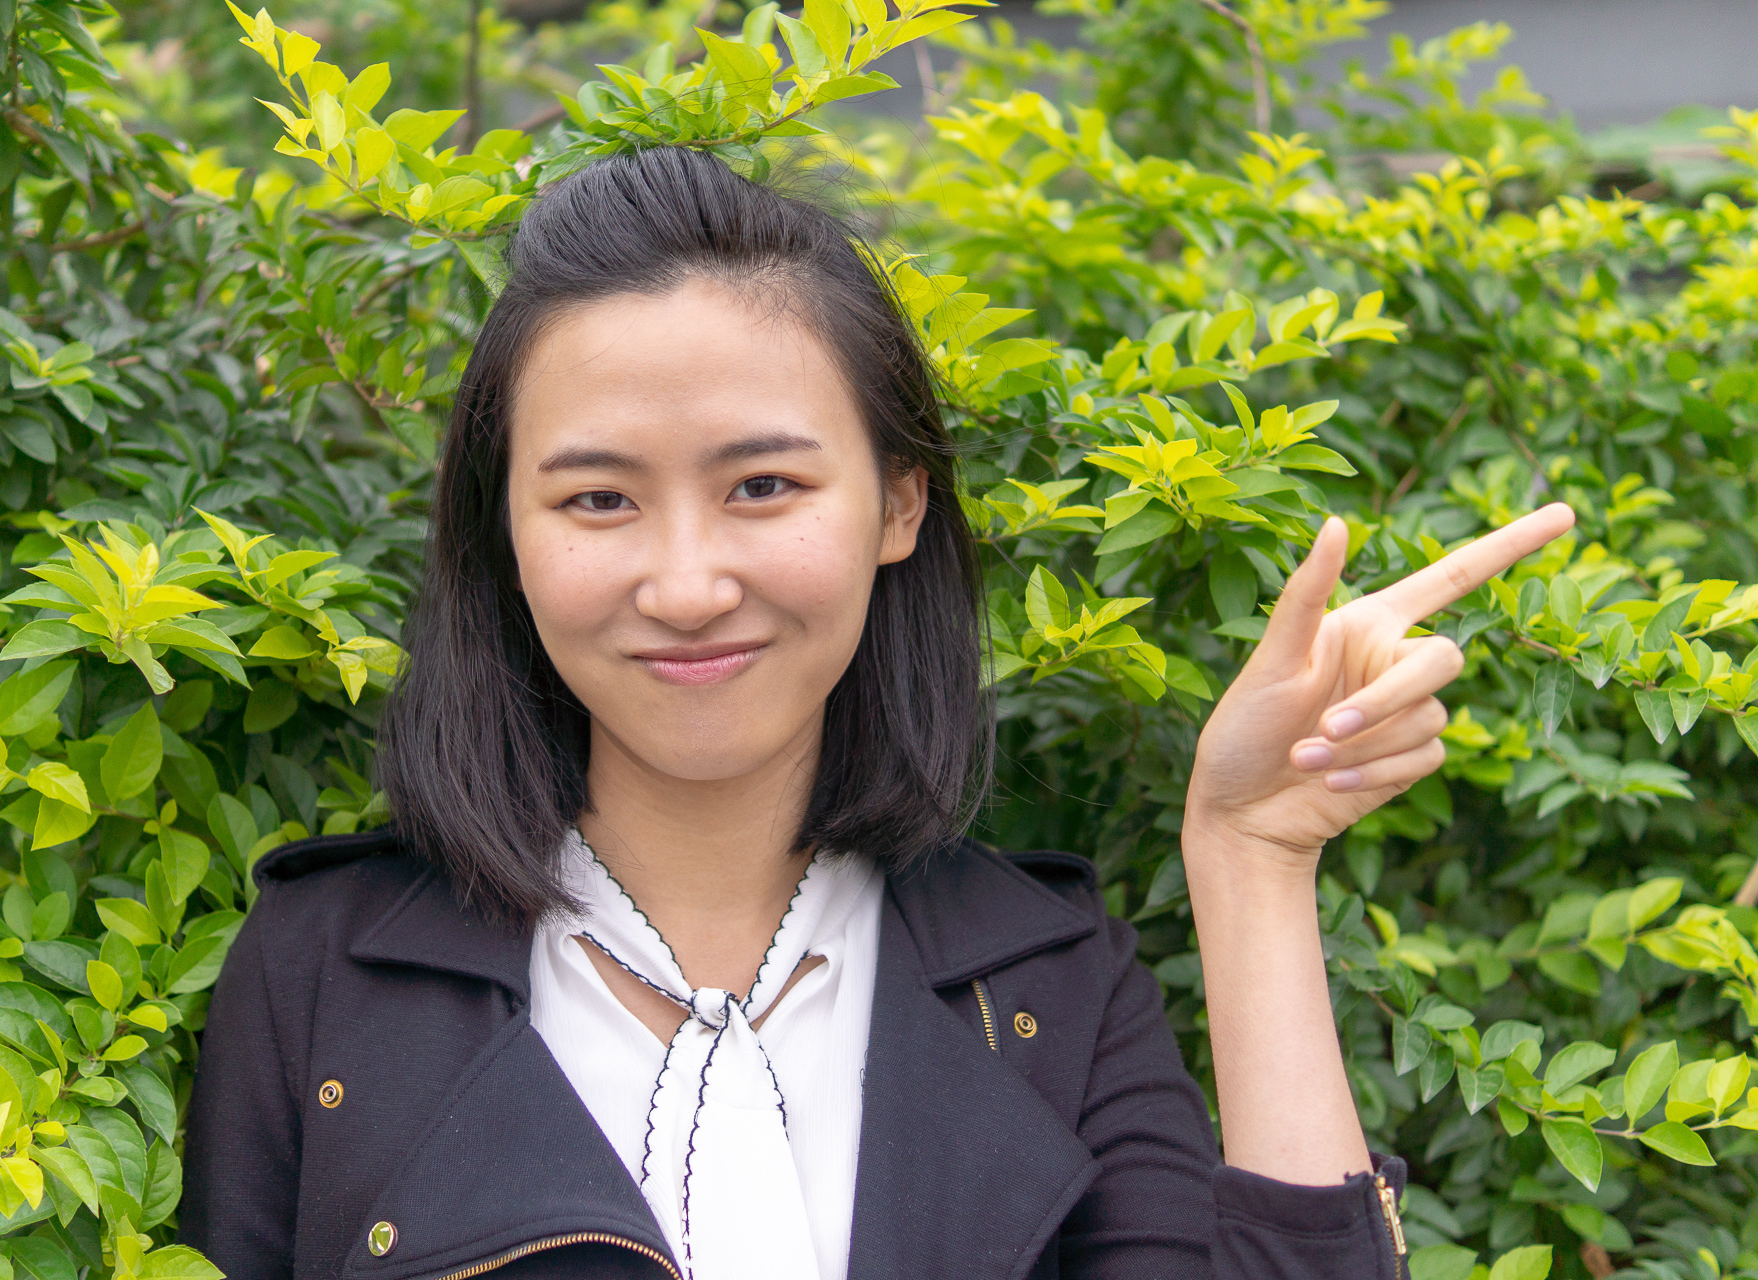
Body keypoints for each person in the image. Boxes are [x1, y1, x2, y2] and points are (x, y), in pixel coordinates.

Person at [177, 145, 1575, 1280]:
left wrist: (1253, 859)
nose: (686, 584)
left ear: (899, 504)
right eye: (598, 498)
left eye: (763, 487)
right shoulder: (323, 974)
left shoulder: (1047, 985)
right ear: (506, 531)